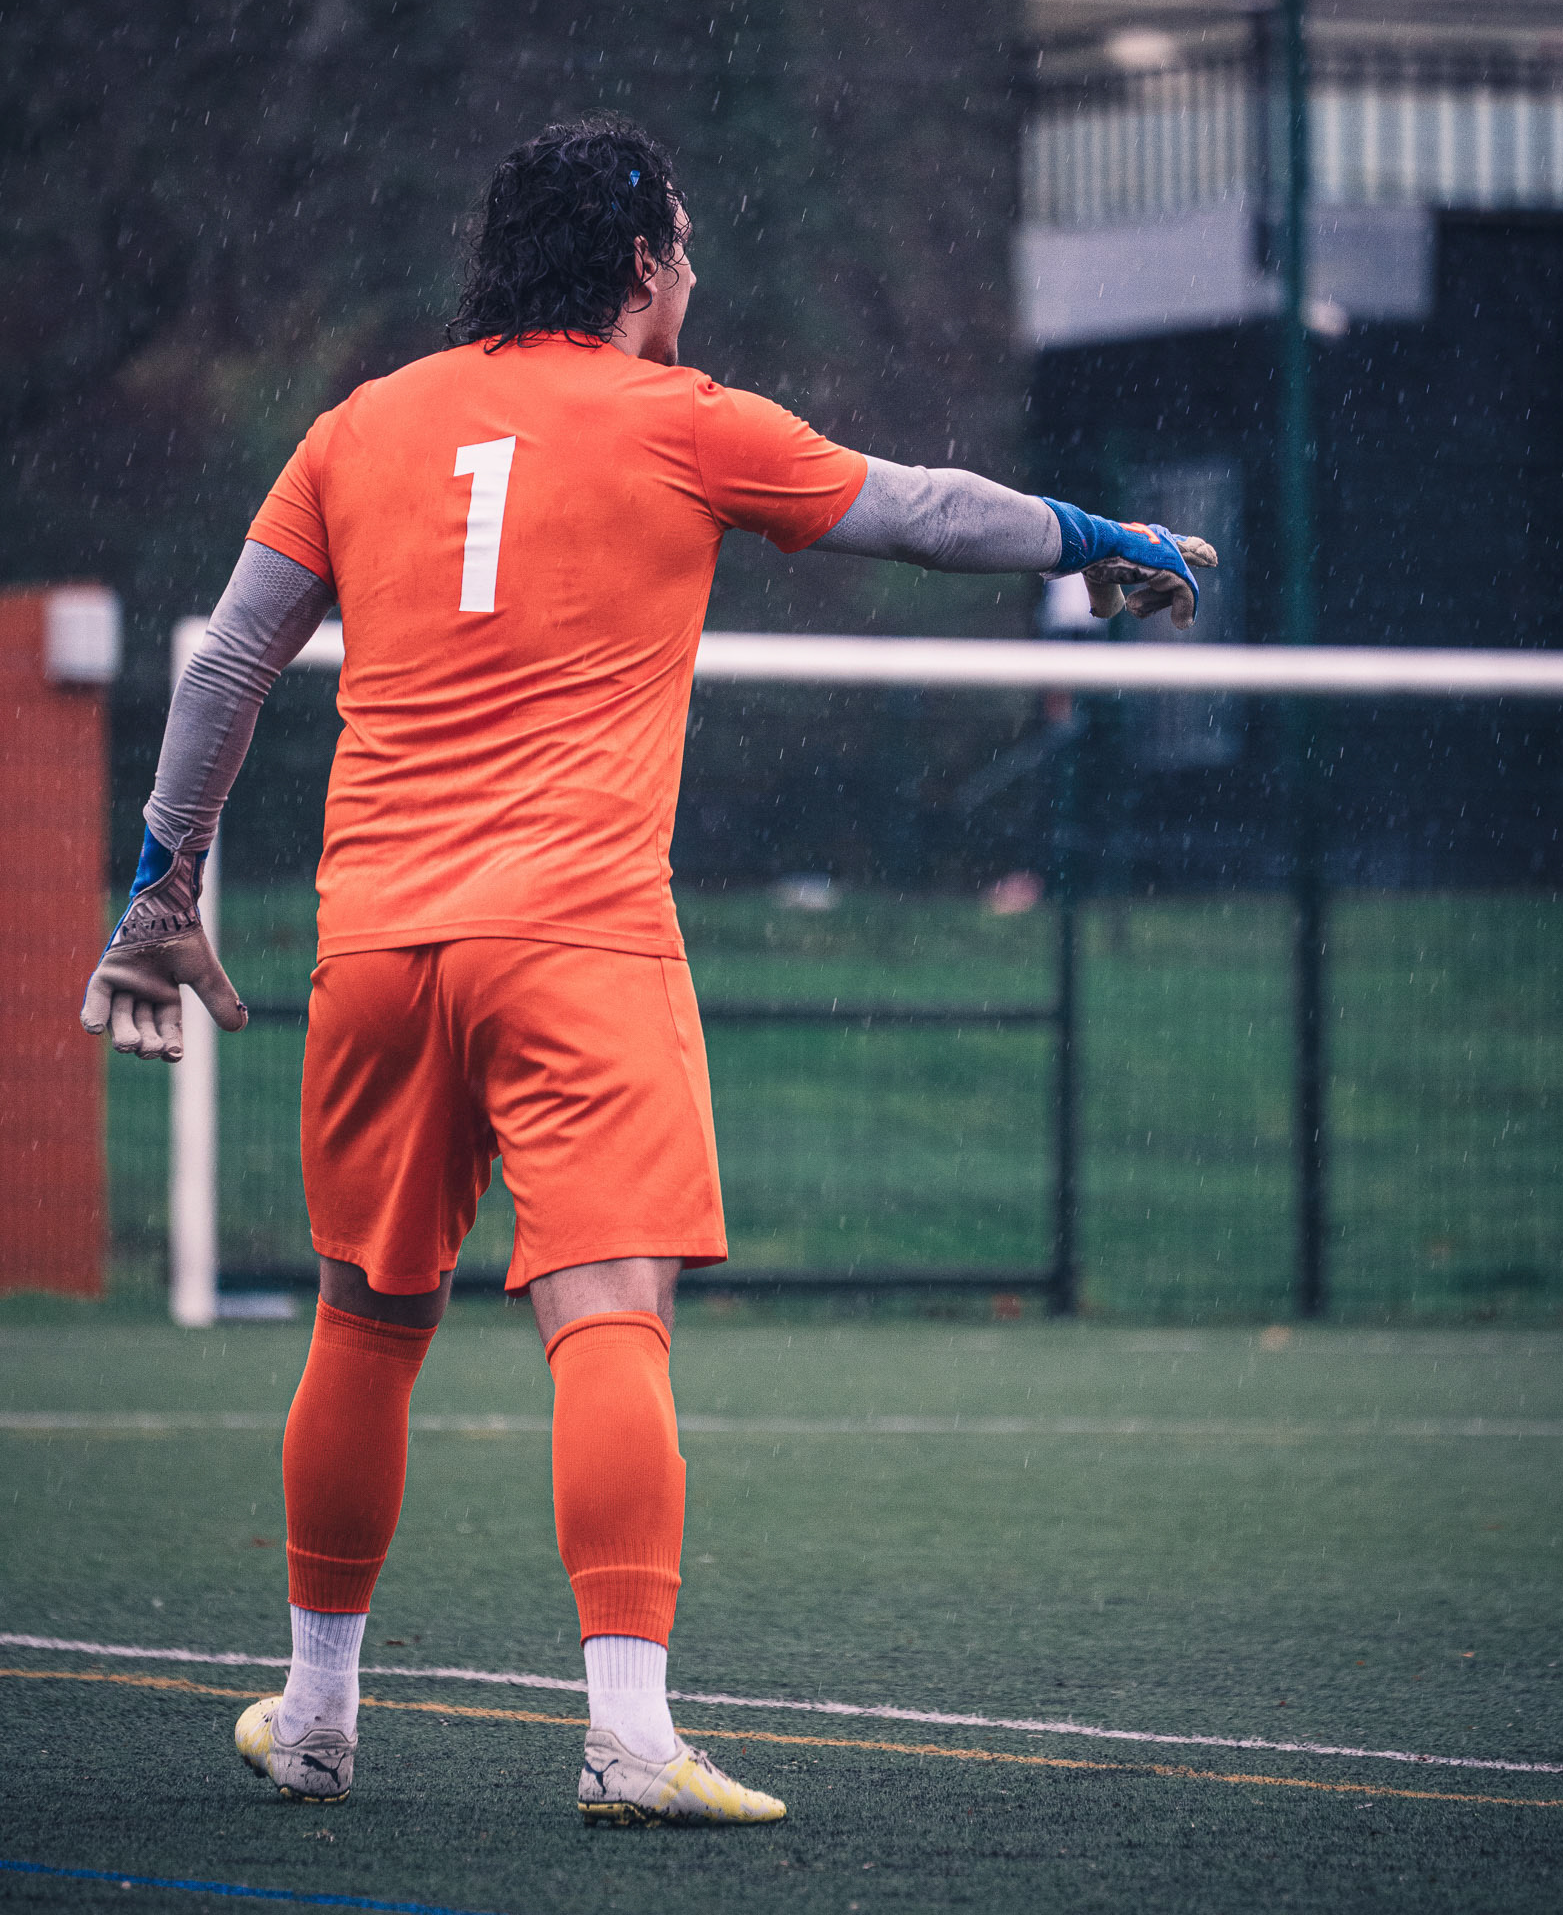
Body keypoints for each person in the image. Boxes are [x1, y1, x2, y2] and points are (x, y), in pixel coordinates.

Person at [80, 115, 1214, 1828]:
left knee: (366, 1321)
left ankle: (313, 1716)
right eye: (683, 245)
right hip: (576, 935)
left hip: (378, 940)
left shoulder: (360, 424)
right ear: (637, 266)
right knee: (608, 1313)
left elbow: (232, 655)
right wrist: (1091, 533)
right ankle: (627, 1737)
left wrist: (163, 882)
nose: (695, 272)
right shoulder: (683, 420)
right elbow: (917, 511)